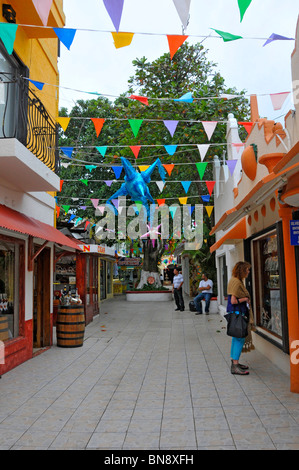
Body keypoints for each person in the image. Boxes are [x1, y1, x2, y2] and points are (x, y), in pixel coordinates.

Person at [227, 261, 255, 376]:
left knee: (236, 338)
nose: (248, 272)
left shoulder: (235, 280)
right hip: (238, 313)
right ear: (242, 270)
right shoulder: (237, 282)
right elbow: (233, 301)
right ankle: (235, 365)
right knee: (239, 339)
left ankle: (235, 363)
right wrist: (245, 299)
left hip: (236, 313)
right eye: (247, 269)